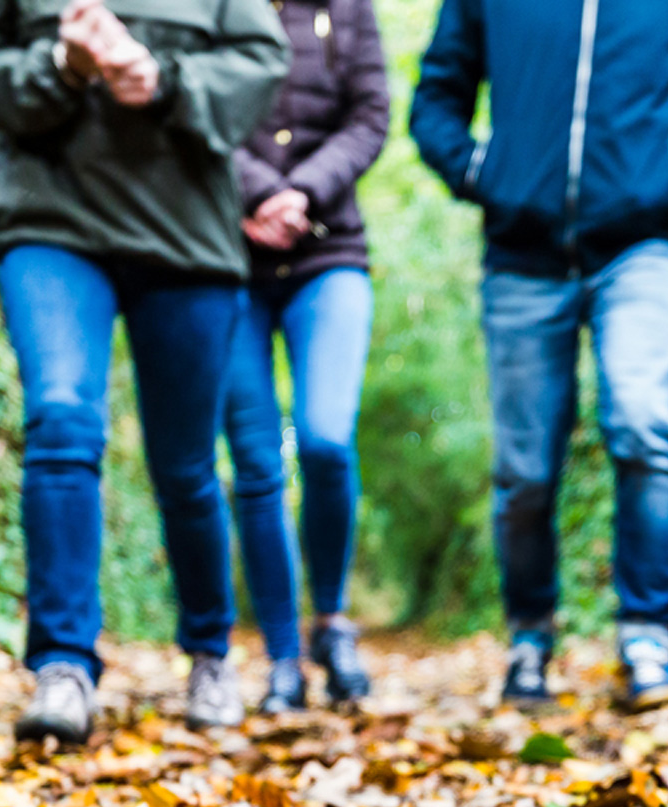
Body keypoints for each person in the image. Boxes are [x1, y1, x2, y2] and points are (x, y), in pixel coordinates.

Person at [0, 0, 289, 743]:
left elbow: (262, 62)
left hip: (188, 238)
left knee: (185, 466)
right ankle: (62, 666)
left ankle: (210, 654)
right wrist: (59, 67)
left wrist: (164, 79)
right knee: (61, 417)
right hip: (50, 223)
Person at [410, 0, 668, 707]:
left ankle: (648, 639)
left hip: (638, 247)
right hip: (521, 258)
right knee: (525, 472)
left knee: (642, 418)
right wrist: (482, 172)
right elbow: (436, 97)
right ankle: (530, 640)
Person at [220, 0, 389, 712]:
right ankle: (282, 658)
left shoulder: (349, 10)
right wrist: (259, 193)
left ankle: (333, 622)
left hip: (330, 251)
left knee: (325, 439)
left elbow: (371, 116)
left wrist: (303, 192)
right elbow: (187, 110)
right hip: (228, 257)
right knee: (256, 463)